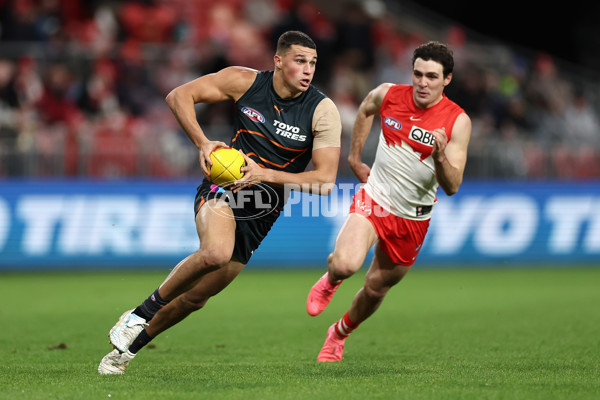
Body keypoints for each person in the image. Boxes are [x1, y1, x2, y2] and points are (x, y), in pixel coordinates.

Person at [98, 30, 341, 374]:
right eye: (300, 61)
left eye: (312, 63)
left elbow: (325, 181)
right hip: (223, 190)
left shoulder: (321, 110)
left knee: (196, 298)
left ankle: (123, 354)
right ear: (278, 61)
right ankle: (139, 314)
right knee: (215, 252)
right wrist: (201, 142)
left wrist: (265, 175)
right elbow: (178, 95)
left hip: (263, 210)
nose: (308, 70)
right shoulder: (244, 81)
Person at [306, 41, 471, 362]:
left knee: (375, 289)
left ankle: (338, 334)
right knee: (344, 263)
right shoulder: (390, 94)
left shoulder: (457, 121)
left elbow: (451, 186)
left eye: (432, 77)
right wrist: (354, 157)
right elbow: (367, 108)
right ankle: (331, 279)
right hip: (376, 198)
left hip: (413, 218)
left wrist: (439, 157)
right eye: (418, 74)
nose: (423, 83)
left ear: (446, 80)